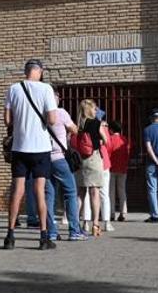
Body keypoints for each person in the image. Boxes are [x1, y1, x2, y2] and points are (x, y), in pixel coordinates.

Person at [4, 59, 59, 250]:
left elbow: (7, 120)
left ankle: (10, 235)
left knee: (17, 192)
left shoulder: (13, 88)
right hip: (41, 148)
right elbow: (52, 120)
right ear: (40, 71)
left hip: (20, 147)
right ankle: (44, 237)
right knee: (39, 192)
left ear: (26, 71)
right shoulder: (46, 89)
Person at [24, 90, 83, 241]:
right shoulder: (61, 112)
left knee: (48, 196)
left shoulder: (38, 114)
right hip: (59, 158)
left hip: (43, 159)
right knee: (70, 192)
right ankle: (75, 230)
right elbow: (75, 129)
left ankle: (51, 231)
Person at [74, 99, 109, 236]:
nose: (96, 111)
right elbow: (105, 141)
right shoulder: (96, 123)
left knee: (80, 194)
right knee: (95, 193)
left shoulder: (79, 124)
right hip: (94, 158)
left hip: (82, 160)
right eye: (94, 109)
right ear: (89, 110)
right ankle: (95, 224)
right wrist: (99, 139)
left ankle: (76, 222)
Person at [107, 121, 130, 222]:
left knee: (110, 191)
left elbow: (107, 153)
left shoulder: (110, 139)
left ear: (111, 129)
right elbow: (128, 153)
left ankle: (111, 213)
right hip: (122, 168)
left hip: (111, 168)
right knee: (122, 190)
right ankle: (123, 212)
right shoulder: (125, 139)